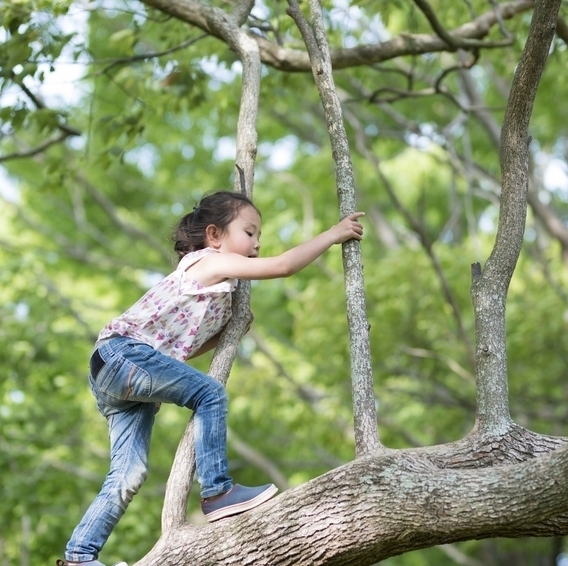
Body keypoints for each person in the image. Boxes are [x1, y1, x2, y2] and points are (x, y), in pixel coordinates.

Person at [57, 191, 365, 566]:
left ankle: (80, 555)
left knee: (128, 474)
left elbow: (178, 349)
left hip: (115, 370)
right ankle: (218, 491)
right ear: (215, 235)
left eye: (258, 236)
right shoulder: (208, 261)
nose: (256, 243)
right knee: (209, 393)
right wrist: (334, 234)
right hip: (124, 355)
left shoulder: (216, 284)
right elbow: (283, 265)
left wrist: (227, 333)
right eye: (249, 233)